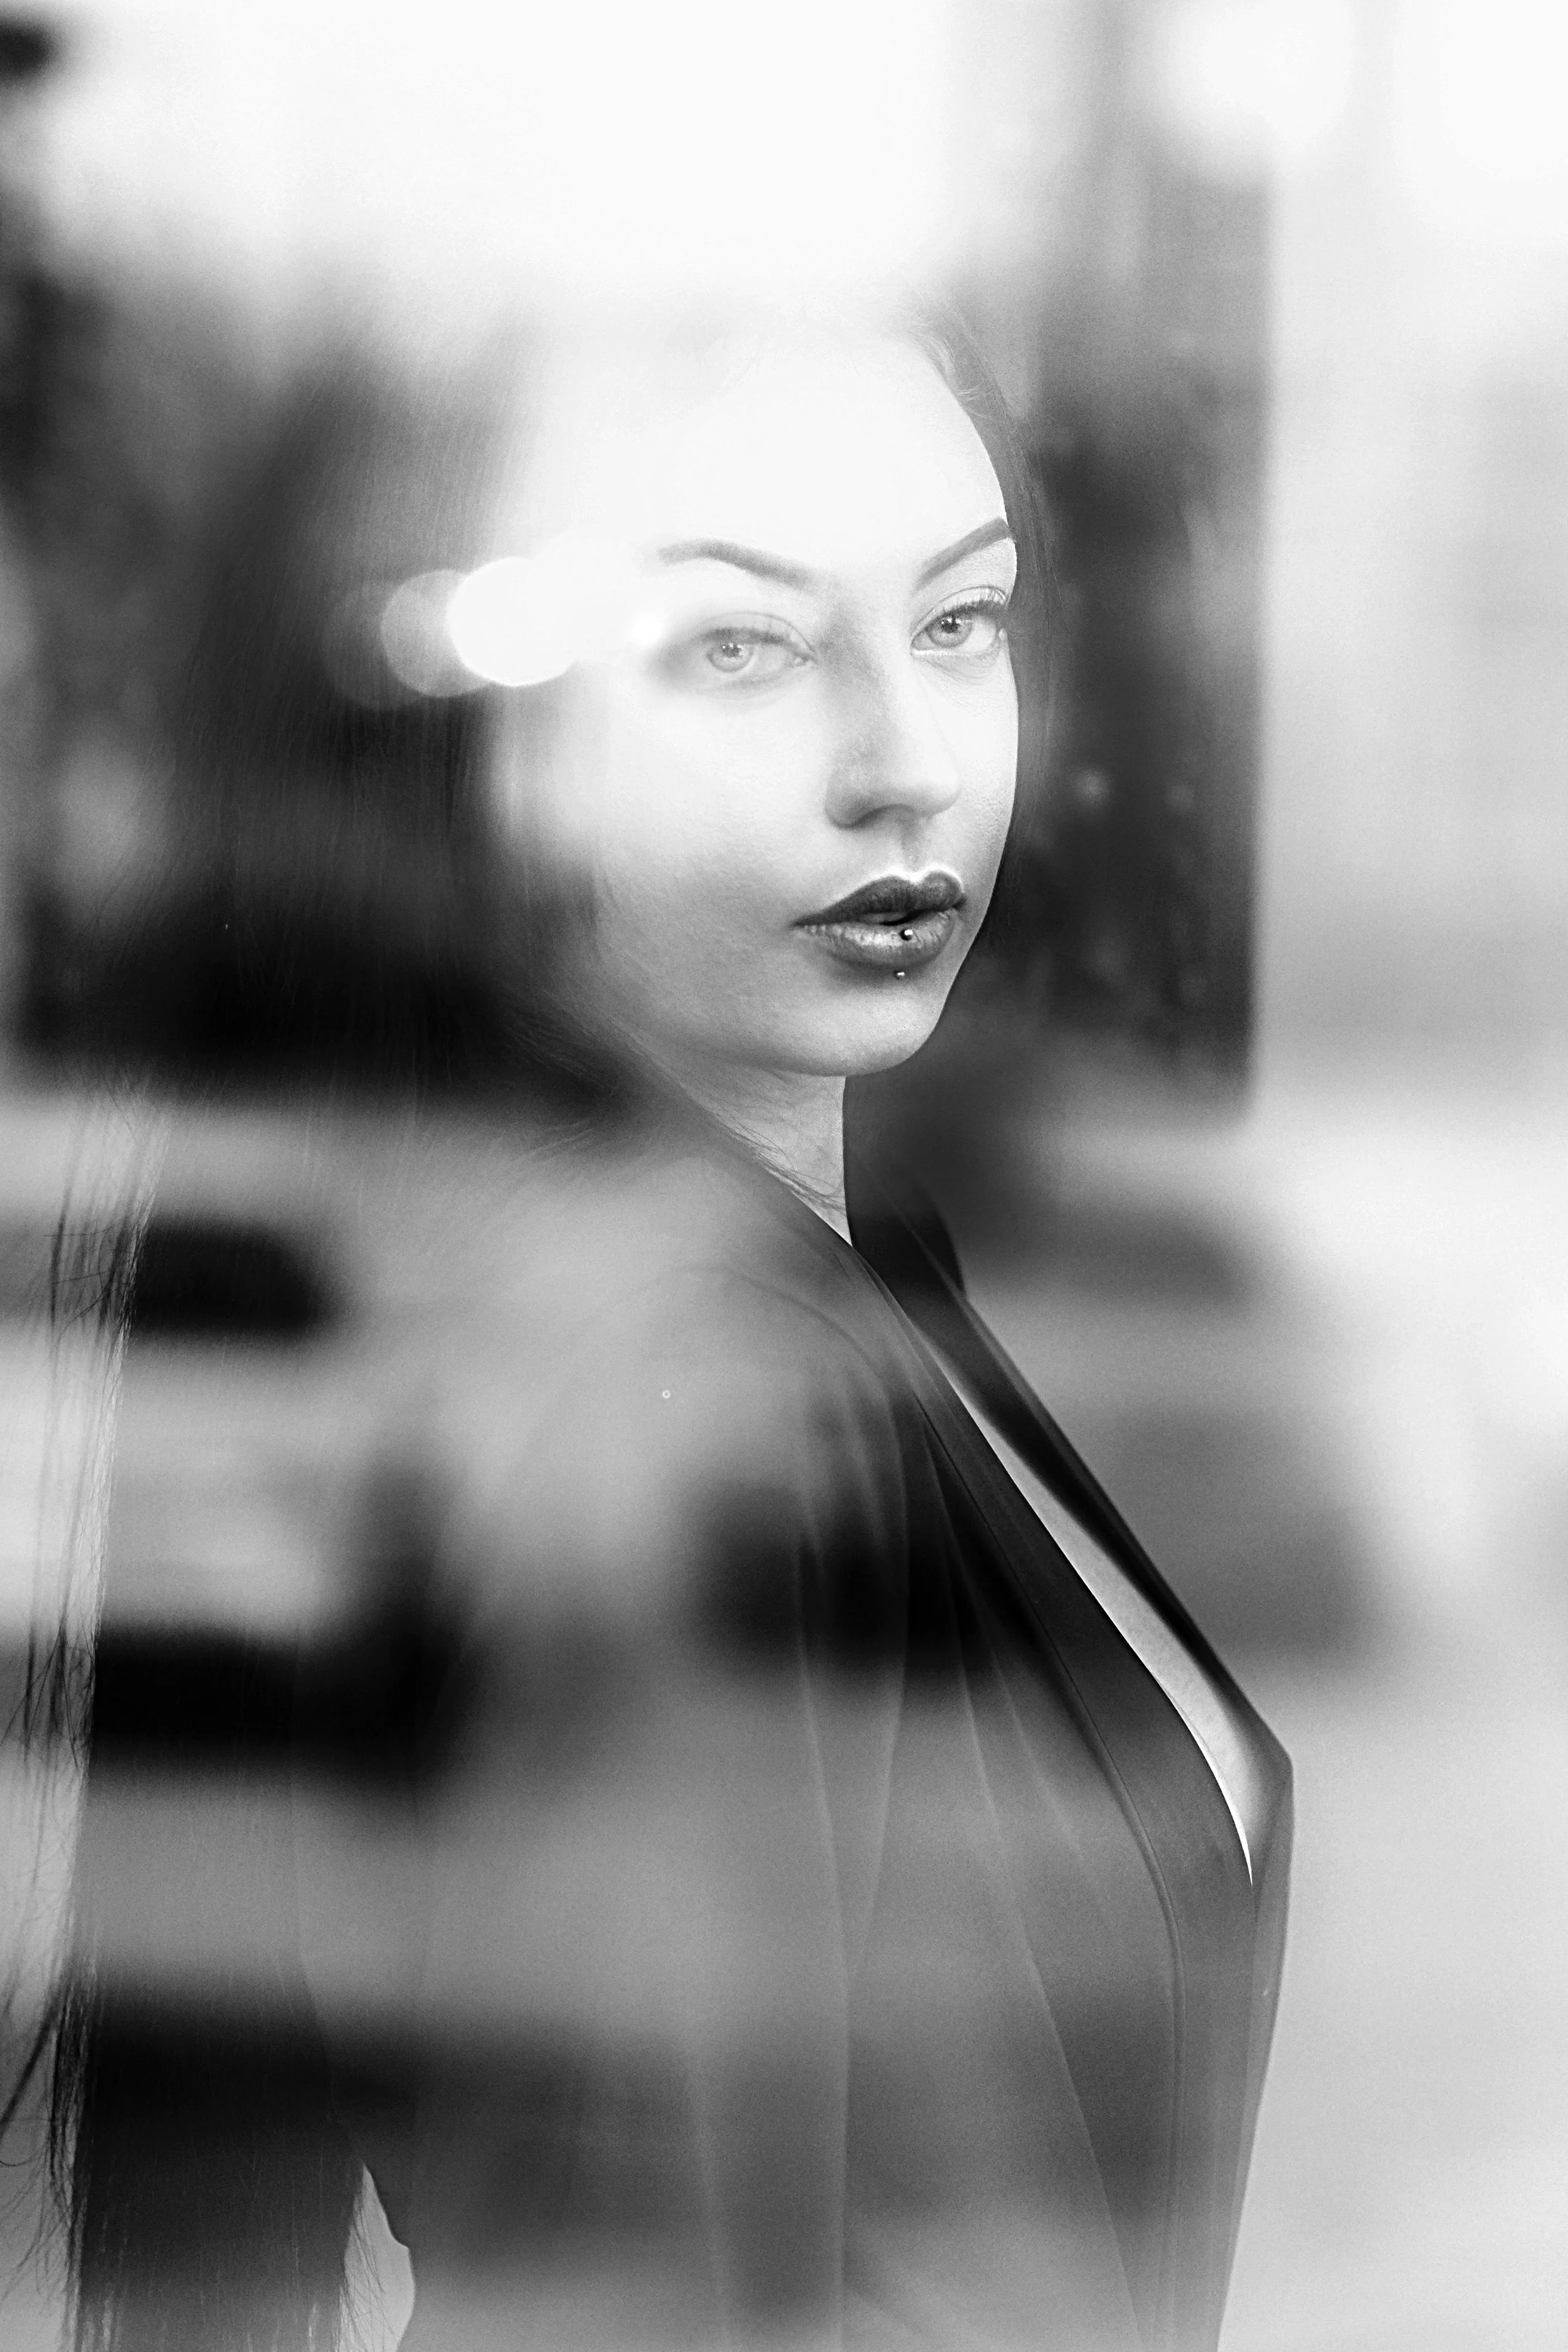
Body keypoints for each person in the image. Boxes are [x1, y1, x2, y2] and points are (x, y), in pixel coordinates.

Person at [34, 299, 1291, 2352]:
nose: (899, 763)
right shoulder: (644, 1389)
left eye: (961, 621)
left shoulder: (837, 1276)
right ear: (478, 750)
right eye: (736, 647)